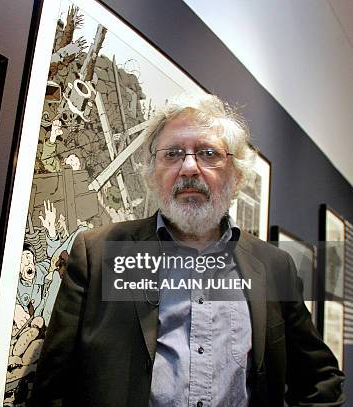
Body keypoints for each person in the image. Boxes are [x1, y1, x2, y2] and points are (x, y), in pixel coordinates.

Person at [31, 93, 345, 406]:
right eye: (172, 154)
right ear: (153, 173)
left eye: (208, 154)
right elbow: (51, 389)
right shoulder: (99, 254)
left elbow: (321, 379)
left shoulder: (275, 266)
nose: (189, 168)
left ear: (236, 176)